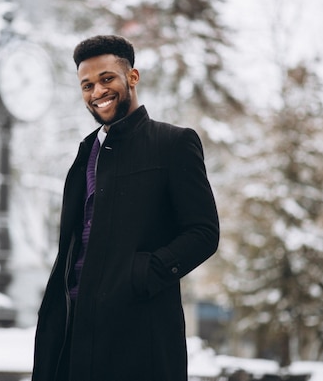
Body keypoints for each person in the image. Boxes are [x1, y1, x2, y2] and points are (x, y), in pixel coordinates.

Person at [32, 35, 219, 381]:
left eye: (107, 79)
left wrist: (142, 273)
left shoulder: (173, 144)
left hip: (137, 333)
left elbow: (204, 232)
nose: (97, 92)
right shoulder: (84, 155)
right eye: (87, 85)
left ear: (132, 78)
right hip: (72, 330)